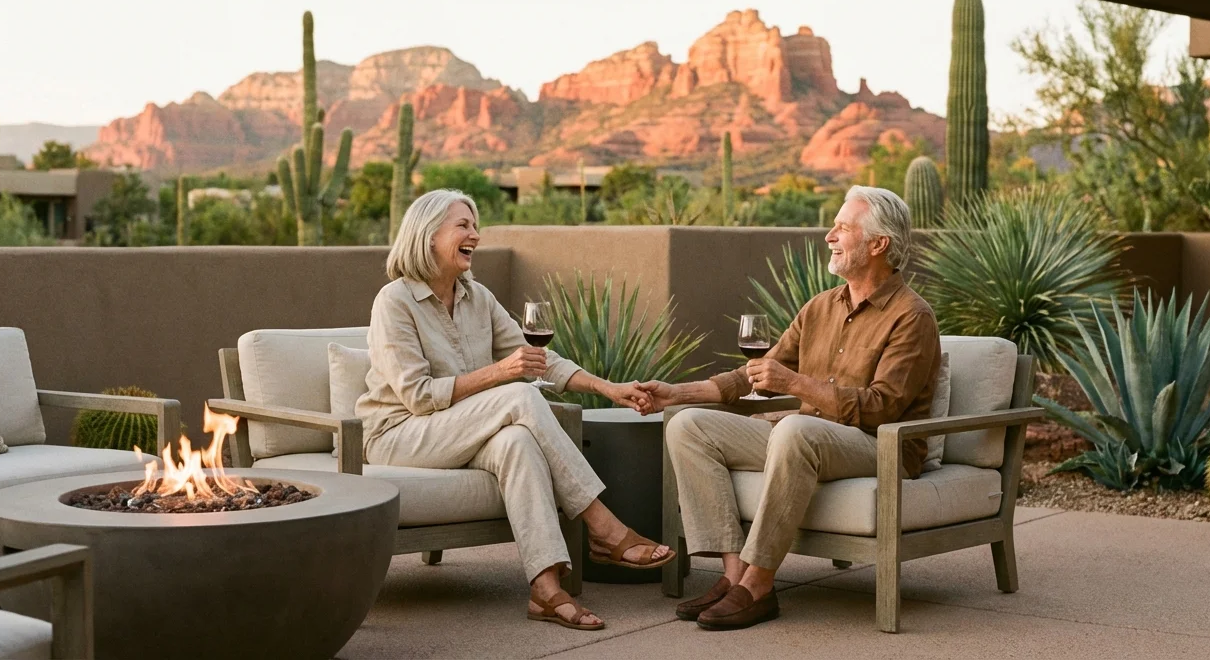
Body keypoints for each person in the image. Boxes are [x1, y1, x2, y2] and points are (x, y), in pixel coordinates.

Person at [357, 189, 675, 631]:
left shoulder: (477, 297)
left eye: (476, 225)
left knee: (518, 441)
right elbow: (418, 396)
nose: (476, 234)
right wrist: (501, 372)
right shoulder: (394, 302)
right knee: (522, 396)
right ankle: (604, 528)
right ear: (428, 236)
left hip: (463, 430)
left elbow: (540, 360)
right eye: (463, 226)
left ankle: (546, 590)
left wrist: (609, 388)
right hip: (400, 435)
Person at [637, 186, 941, 630]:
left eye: (843, 228)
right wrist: (675, 393)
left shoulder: (912, 316)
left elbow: (882, 408)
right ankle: (735, 575)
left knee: (796, 429)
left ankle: (759, 583)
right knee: (689, 427)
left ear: (879, 245)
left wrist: (796, 385)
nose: (829, 237)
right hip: (806, 439)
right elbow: (756, 374)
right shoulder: (820, 307)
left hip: (881, 447)